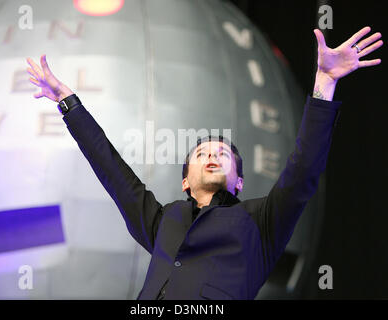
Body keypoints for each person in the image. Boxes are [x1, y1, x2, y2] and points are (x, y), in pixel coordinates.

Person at [26, 27, 382, 299]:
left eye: (222, 155)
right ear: (184, 182)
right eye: (201, 154)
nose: (212, 155)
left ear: (239, 183)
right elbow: (111, 169)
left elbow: (304, 169)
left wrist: (325, 83)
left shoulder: (261, 222)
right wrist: (68, 102)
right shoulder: (163, 220)